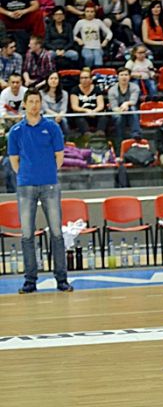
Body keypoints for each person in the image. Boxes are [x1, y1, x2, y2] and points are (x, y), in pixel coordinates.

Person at [9, 88, 71, 293]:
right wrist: (26, 175)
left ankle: (61, 279)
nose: (34, 105)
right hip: (26, 186)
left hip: (50, 185)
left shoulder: (52, 127)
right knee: (27, 234)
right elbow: (14, 160)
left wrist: (47, 173)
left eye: (37, 101)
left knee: (56, 233)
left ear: (41, 104)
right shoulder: (16, 131)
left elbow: (59, 156)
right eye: (31, 101)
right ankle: (30, 280)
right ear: (24, 104)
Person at [108, 67, 141, 149]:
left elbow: (133, 101)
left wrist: (126, 104)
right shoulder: (112, 90)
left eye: (126, 75)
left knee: (133, 109)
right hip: (117, 110)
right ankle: (120, 137)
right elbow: (113, 106)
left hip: (129, 108)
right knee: (118, 117)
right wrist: (120, 110)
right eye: (121, 75)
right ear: (118, 77)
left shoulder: (135, 87)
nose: (124, 77)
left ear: (129, 76)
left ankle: (136, 134)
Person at [73, 3, 112, 68]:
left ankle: (98, 72)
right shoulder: (80, 22)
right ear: (84, 12)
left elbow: (109, 33)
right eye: (87, 11)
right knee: (89, 57)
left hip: (97, 47)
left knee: (98, 57)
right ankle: (88, 70)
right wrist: (78, 39)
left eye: (92, 12)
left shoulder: (98, 21)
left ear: (94, 13)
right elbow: (72, 35)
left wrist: (106, 40)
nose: (89, 14)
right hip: (86, 47)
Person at [70, 68, 107, 135]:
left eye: (86, 78)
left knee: (104, 117)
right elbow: (74, 107)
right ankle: (87, 135)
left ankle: (100, 134)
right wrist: (86, 110)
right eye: (82, 78)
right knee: (79, 118)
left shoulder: (97, 89)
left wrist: (94, 111)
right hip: (82, 114)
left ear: (91, 79)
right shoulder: (75, 90)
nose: (84, 80)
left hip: (95, 113)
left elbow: (101, 105)